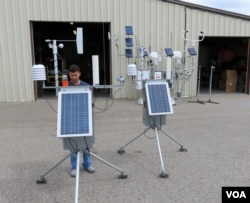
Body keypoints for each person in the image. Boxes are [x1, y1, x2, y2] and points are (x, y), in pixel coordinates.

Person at [68, 64, 95, 177]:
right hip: (72, 118)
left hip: (84, 117)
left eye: (75, 74)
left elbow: (91, 102)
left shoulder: (86, 86)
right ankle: (74, 167)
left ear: (79, 73)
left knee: (86, 142)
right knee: (73, 144)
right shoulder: (66, 86)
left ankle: (87, 164)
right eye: (71, 75)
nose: (73, 77)